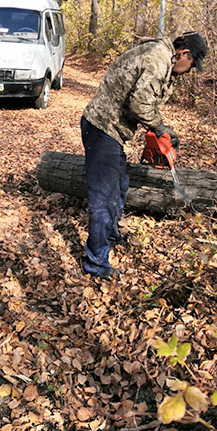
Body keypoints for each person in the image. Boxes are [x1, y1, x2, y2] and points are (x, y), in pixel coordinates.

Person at [80, 32, 208, 279]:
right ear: (183, 54)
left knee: (119, 186)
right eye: (191, 65)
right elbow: (138, 104)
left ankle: (111, 236)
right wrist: (160, 128)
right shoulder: (158, 58)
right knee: (103, 198)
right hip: (102, 127)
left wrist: (162, 130)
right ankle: (96, 264)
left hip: (112, 130)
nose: (189, 71)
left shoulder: (163, 58)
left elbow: (145, 101)